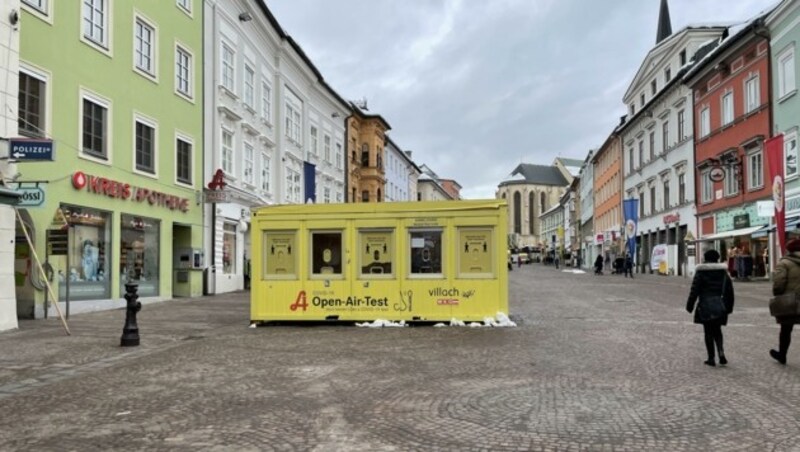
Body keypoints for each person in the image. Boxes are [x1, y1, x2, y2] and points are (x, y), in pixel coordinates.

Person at [686, 249, 735, 367]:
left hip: (705, 305)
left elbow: (694, 290)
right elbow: (730, 291)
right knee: (717, 331)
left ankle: (711, 358)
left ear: (705, 258)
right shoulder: (724, 273)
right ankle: (721, 353)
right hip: (720, 304)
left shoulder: (701, 272)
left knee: (708, 332)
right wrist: (729, 307)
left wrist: (690, 305)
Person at [769, 239, 800, 365]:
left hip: (790, 301)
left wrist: (777, 293)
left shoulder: (784, 263)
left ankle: (782, 355)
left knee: (786, 329)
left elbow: (779, 283)